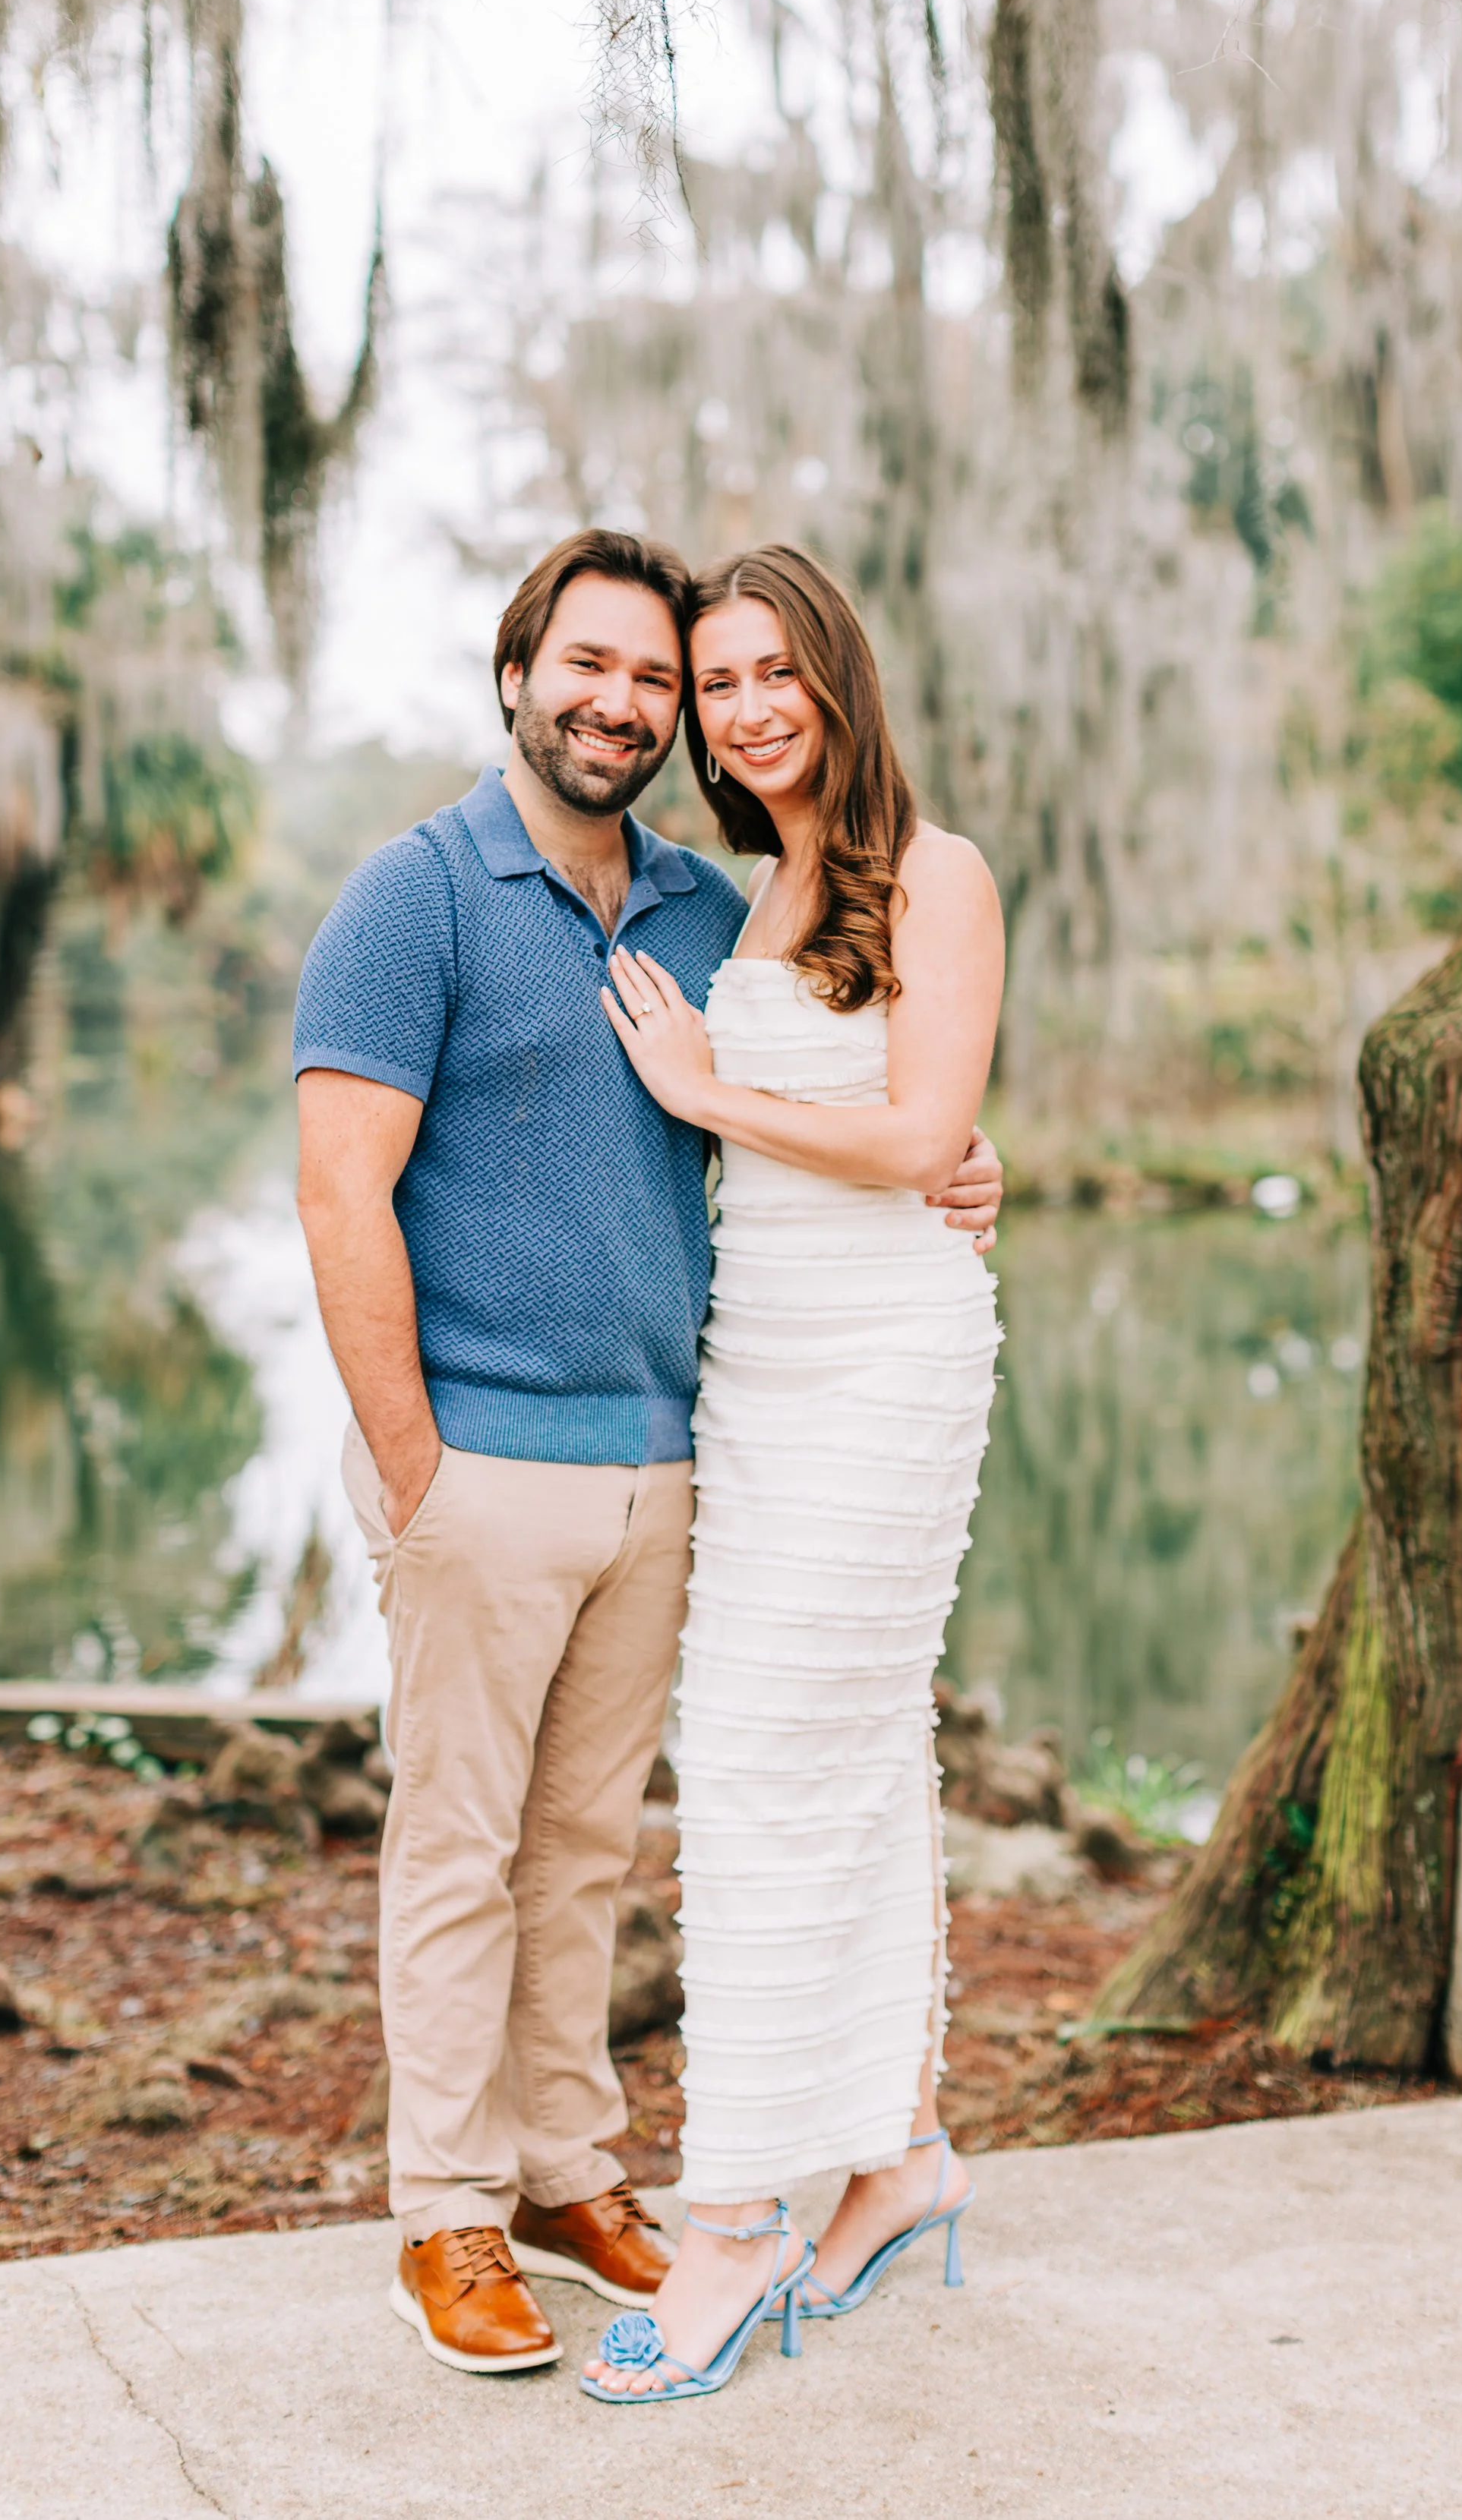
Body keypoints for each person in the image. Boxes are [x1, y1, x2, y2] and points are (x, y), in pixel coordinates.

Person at [291, 528, 1003, 2376]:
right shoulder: (414, 897)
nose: (628, 704)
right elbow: (338, 1194)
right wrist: (410, 1463)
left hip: (679, 1453)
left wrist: (958, 1165)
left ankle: (566, 2170)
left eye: (657, 681)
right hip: (481, 1459)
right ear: (517, 671)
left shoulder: (709, 904)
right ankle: (446, 2212)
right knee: (458, 1845)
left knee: (590, 1846)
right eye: (589, 666)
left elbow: (835, 1095)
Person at [582, 543, 1004, 2405]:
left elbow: (920, 1129)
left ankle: (736, 2219)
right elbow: (890, 1129)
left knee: (759, 1763)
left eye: (778, 673)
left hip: (890, 1364)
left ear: (836, 679)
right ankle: (899, 2156)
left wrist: (713, 1096)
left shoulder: (941, 874)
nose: (748, 710)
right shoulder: (745, 898)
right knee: (846, 1752)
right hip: (758, 1364)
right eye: (719, 682)